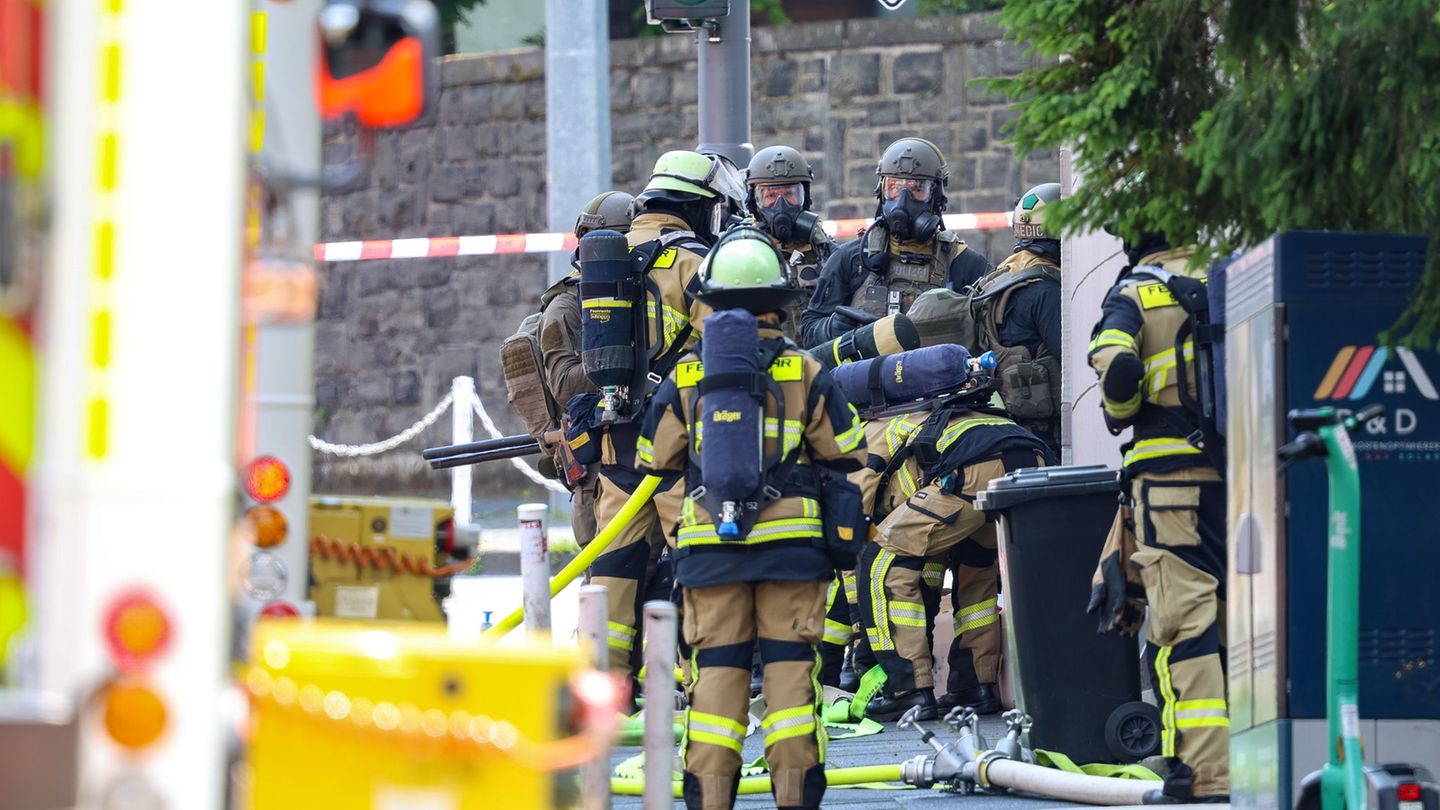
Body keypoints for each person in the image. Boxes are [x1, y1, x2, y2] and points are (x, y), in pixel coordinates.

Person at [637, 226, 867, 810]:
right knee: (791, 683)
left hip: (709, 551)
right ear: (780, 301)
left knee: (716, 679)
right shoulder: (805, 372)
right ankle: (794, 797)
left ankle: (710, 800)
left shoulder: (686, 378)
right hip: (793, 551)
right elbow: (850, 454)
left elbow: (652, 461)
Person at [582, 151, 745, 684]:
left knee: (613, 569)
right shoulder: (697, 262)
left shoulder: (606, 257)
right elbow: (729, 351)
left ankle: (603, 692)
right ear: (699, 206)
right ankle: (706, 687)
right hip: (681, 451)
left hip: (616, 447)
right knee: (700, 568)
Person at [1087, 232, 1228, 804]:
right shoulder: (1231, 275)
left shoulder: (1135, 295)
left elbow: (1119, 375)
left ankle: (1205, 775)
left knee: (1185, 623)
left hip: (1171, 485)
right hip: (1247, 477)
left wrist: (1126, 405)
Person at [856, 379, 1051, 721]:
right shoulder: (924, 414)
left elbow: (856, 525)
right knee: (977, 574)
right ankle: (975, 685)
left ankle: (907, 688)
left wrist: (863, 641)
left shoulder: (860, 439)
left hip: (972, 470)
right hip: (1029, 460)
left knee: (881, 558)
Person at [797, 137, 992, 349]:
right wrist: (832, 328)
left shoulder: (965, 264)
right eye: (894, 187)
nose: (902, 200)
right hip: (866, 380)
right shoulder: (853, 258)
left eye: (917, 189)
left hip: (938, 381)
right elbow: (809, 330)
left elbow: (991, 339)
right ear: (881, 193)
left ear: (935, 197)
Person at [538, 190, 634, 546]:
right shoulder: (566, 308)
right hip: (596, 471)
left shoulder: (639, 294)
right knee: (607, 586)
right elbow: (563, 384)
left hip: (635, 456)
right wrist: (618, 360)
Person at [971, 182, 1064, 456]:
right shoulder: (1045, 291)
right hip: (1047, 436)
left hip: (1011, 428)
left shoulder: (1000, 278)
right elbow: (1078, 366)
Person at [743, 145, 835, 341]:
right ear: (754, 202)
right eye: (769, 196)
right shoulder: (740, 253)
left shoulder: (828, 253)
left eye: (789, 194)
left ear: (804, 198)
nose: (780, 204)